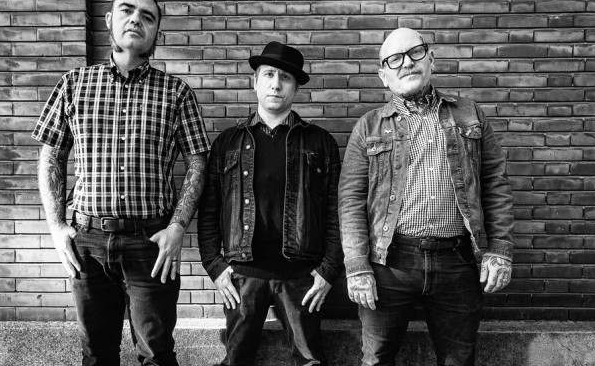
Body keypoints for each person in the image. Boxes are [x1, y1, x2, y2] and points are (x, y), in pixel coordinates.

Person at [32, 0, 209, 366]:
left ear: (156, 31)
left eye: (148, 16)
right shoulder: (74, 84)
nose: (136, 20)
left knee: (157, 354)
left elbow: (198, 162)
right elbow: (51, 156)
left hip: (151, 244)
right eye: (127, 10)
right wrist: (56, 226)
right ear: (109, 19)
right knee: (96, 354)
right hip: (88, 241)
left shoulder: (177, 93)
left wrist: (178, 227)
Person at [339, 28, 514, 366]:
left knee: (458, 360)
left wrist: (500, 250)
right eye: (394, 59)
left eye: (414, 53)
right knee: (376, 360)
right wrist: (357, 267)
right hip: (389, 263)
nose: (406, 63)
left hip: (458, 262)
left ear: (430, 59)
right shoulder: (368, 127)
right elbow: (350, 202)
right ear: (383, 76)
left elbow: (495, 185)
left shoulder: (470, 114)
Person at [197, 41, 344, 366]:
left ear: (296, 87)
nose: (276, 84)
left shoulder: (320, 142)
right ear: (255, 82)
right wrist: (215, 266)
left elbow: (336, 211)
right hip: (243, 274)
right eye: (268, 75)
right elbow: (209, 210)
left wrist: (328, 269)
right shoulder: (228, 142)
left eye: (285, 78)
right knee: (237, 359)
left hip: (302, 275)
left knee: (309, 360)